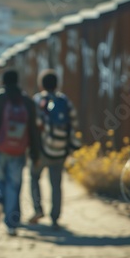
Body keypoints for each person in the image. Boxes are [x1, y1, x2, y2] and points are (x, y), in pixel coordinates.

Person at [0, 70, 39, 236]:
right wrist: (35, 152)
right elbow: (33, 130)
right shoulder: (27, 101)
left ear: (2, 81)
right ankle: (11, 224)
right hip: (18, 151)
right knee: (14, 185)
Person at [28, 69, 81, 230]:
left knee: (34, 177)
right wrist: (70, 147)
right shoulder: (64, 100)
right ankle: (55, 218)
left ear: (40, 84)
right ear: (57, 84)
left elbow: (33, 127)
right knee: (56, 184)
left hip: (42, 151)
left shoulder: (38, 100)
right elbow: (74, 123)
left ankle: (38, 209)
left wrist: (32, 150)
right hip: (60, 151)